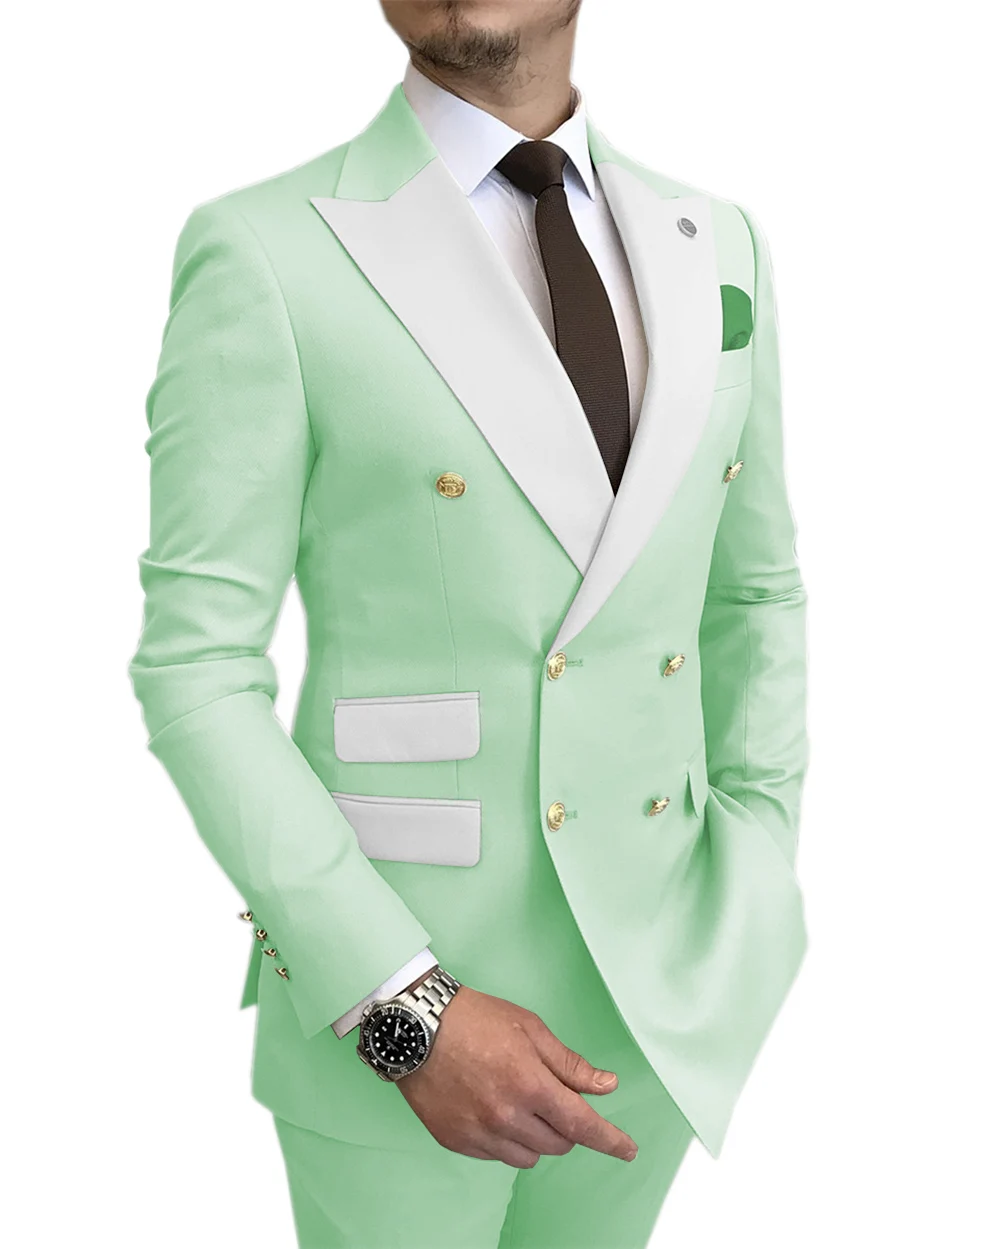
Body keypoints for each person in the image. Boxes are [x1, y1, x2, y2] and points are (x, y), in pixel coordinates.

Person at [128, 1, 809, 1245]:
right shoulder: (266, 248)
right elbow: (197, 667)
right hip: (394, 1013)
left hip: (664, 1004)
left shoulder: (717, 240)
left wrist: (754, 874)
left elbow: (750, 593)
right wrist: (405, 1009)